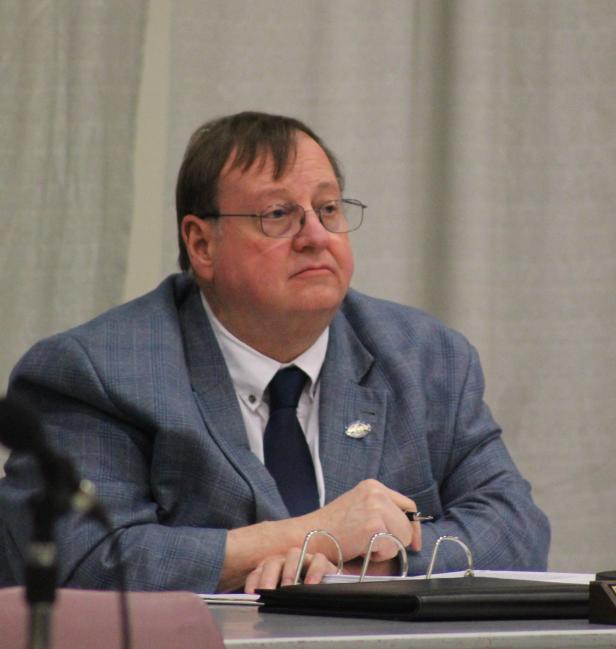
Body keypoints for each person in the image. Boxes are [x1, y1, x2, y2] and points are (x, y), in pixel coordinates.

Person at [0, 111, 550, 593]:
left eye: (328, 209)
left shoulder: (427, 359)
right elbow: (83, 561)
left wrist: (377, 563)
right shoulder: (100, 371)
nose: (316, 235)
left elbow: (516, 529)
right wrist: (311, 536)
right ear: (202, 244)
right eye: (278, 215)